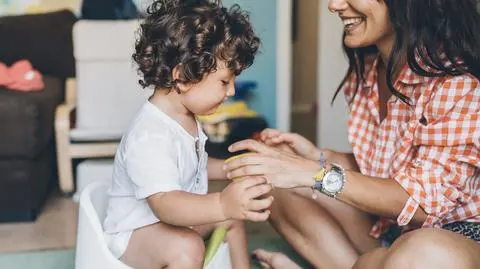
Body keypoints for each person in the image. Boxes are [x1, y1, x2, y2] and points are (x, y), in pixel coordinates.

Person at [224, 0, 480, 268]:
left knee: (424, 253)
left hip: (451, 238)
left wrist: (313, 172)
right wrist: (318, 157)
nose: (334, 5)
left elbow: (420, 204)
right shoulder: (369, 70)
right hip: (392, 231)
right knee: (267, 184)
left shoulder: (457, 83)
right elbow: (388, 169)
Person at [102, 1, 274, 269]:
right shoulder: (150, 136)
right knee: (187, 247)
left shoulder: (185, 117)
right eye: (224, 81)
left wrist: (236, 168)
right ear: (182, 78)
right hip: (135, 236)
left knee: (232, 218)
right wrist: (221, 203)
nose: (231, 92)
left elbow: (196, 166)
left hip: (167, 223)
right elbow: (166, 204)